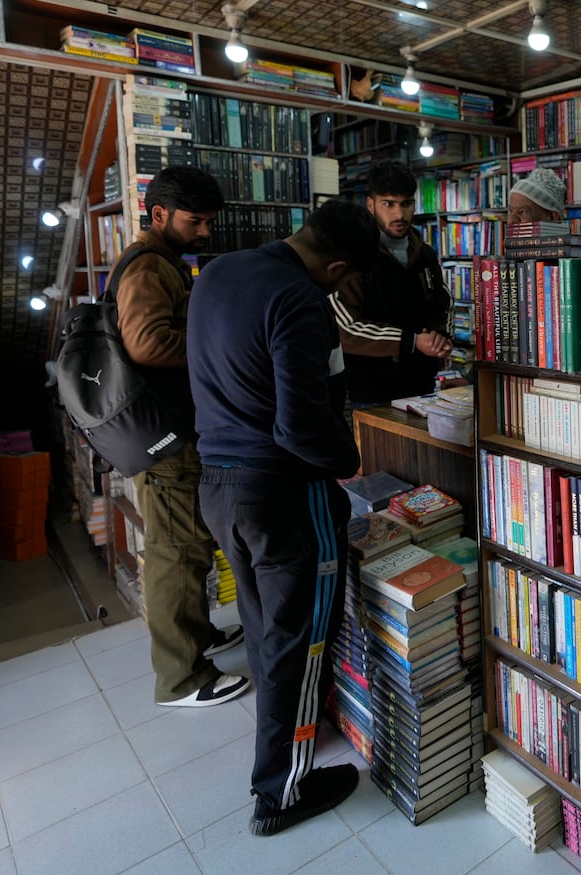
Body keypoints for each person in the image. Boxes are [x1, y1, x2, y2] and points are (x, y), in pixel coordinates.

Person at [186, 199, 380, 836]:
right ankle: (281, 791)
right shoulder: (300, 300)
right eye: (349, 282)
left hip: (218, 483)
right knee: (301, 637)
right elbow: (300, 427)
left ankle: (286, 748)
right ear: (337, 265)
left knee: (265, 626)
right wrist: (349, 458)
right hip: (285, 492)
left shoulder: (218, 271)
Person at [114, 166, 249, 709]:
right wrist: (216, 355)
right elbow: (147, 345)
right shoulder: (148, 267)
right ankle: (179, 679)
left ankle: (196, 639)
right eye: (196, 222)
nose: (204, 234)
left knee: (191, 545)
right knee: (173, 553)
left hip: (172, 432)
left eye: (208, 223)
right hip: (164, 440)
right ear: (160, 213)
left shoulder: (163, 262)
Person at [329, 162, 454, 404]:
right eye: (388, 204)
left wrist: (440, 336)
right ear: (370, 204)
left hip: (422, 386)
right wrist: (412, 341)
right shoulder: (353, 255)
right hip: (371, 392)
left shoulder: (425, 254)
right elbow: (345, 328)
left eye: (406, 204)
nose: (398, 214)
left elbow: (444, 300)